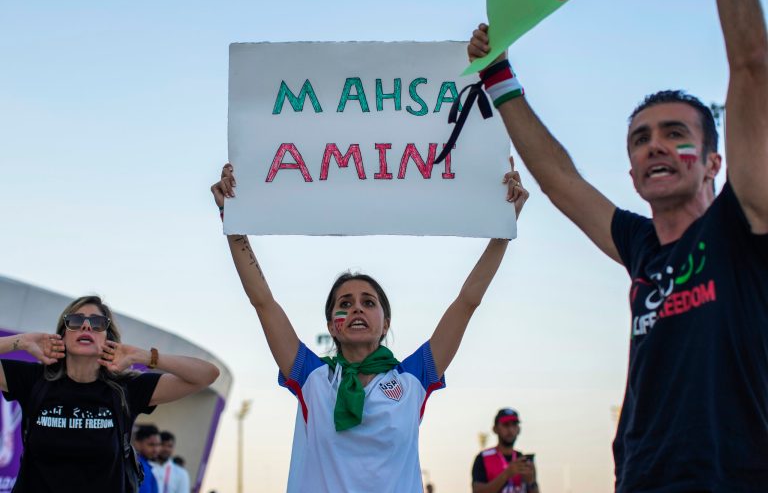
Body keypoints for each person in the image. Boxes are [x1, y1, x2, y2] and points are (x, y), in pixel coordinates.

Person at [467, 0, 768, 491]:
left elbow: (752, 65)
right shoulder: (640, 245)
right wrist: (497, 75)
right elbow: (560, 180)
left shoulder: (744, 226)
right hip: (640, 479)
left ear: (714, 162)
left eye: (676, 134)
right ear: (631, 174)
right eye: (641, 139)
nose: (655, 146)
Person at [211, 160, 529, 493]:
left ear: (385, 323)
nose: (356, 309)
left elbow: (466, 304)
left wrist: (502, 231)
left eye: (368, 302)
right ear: (332, 327)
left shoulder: (414, 378)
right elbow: (263, 302)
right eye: (344, 305)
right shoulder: (311, 377)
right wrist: (232, 223)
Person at [0, 295, 220, 492]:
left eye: (97, 323)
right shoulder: (33, 380)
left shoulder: (127, 389)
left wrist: (143, 356)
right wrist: (22, 341)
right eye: (76, 321)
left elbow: (207, 374)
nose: (86, 326)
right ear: (63, 335)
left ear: (108, 338)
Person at [471, 409, 538, 493]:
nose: (510, 430)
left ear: (518, 429)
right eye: (506, 425)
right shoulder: (483, 458)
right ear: (495, 429)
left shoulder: (523, 460)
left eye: (514, 425)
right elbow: (477, 491)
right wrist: (507, 474)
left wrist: (531, 482)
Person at [134, 424, 161, 493]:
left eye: (158, 444)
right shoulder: (141, 467)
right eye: (151, 444)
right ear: (137, 443)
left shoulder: (145, 465)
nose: (156, 450)